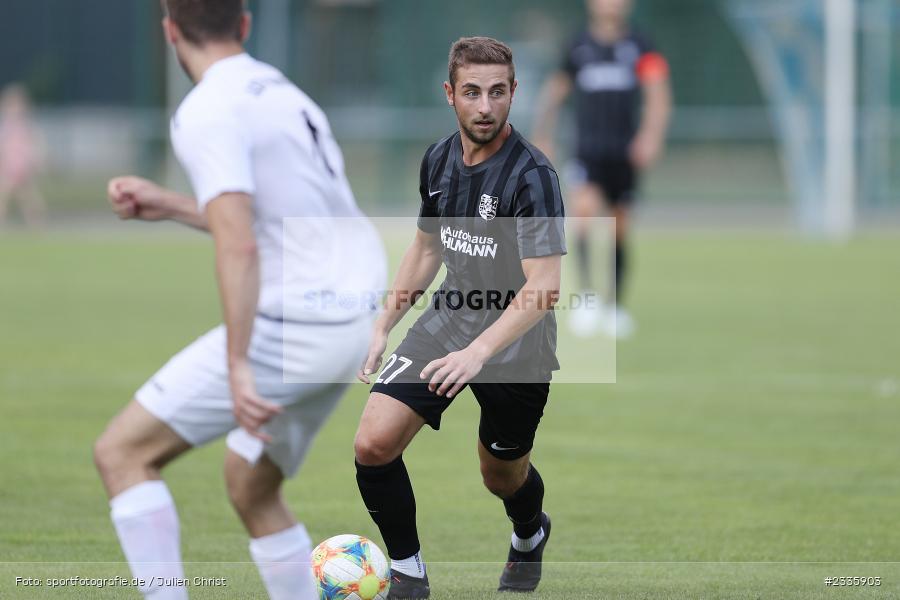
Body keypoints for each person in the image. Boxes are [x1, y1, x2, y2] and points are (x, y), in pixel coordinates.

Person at [93, 2, 385, 599]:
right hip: (358, 320)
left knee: (122, 453)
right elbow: (275, 218)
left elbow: (240, 246)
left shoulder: (206, 109)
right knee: (251, 482)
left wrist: (237, 362)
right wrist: (171, 205)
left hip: (297, 326)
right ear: (245, 24)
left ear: (170, 30)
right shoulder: (284, 93)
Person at [354, 37, 566, 598]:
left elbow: (544, 288)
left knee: (501, 476)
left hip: (517, 347)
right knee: (373, 445)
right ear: (450, 94)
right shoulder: (438, 159)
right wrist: (383, 325)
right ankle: (408, 574)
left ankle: (529, 532)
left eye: (498, 92)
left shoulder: (533, 177)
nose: (485, 106)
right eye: (471, 92)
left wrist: (479, 354)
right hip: (449, 319)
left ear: (514, 93)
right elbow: (426, 250)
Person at [533, 0, 671, 338]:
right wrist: (543, 134)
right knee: (582, 214)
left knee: (619, 228)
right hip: (587, 152)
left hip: (624, 155)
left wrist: (651, 136)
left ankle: (614, 307)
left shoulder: (641, 45)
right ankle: (587, 300)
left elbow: (658, 93)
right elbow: (555, 91)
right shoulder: (578, 47)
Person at [0, 84, 46, 228]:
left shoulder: (25, 125)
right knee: (5, 196)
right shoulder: (6, 126)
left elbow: (34, 143)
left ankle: (37, 222)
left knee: (29, 197)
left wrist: (38, 159)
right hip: (9, 166)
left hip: (22, 165)